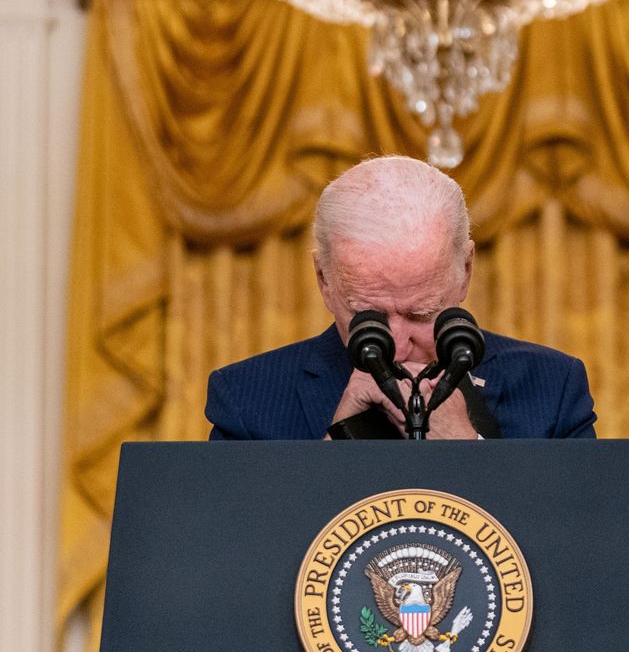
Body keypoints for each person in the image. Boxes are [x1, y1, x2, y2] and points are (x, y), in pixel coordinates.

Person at [204, 156, 597, 441]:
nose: (394, 347)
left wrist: (471, 455)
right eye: (366, 315)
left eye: (422, 314)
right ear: (324, 279)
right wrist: (331, 458)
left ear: (466, 271)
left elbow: (575, 547)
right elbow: (239, 552)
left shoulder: (553, 389)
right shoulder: (245, 400)